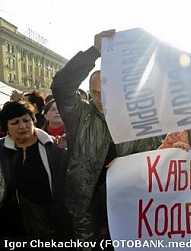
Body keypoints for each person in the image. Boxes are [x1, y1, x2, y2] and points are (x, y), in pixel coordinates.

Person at [51, 29, 161, 248]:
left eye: (107, 91)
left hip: (126, 205)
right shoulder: (79, 115)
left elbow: (152, 157)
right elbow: (61, 86)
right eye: (95, 92)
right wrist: (93, 52)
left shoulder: (137, 120)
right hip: (85, 205)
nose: (101, 98)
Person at [0, 101, 71, 243]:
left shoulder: (54, 148)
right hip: (9, 229)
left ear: (34, 120)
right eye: (15, 123)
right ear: (6, 127)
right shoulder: (1, 151)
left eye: (26, 120)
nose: (22, 126)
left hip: (50, 228)